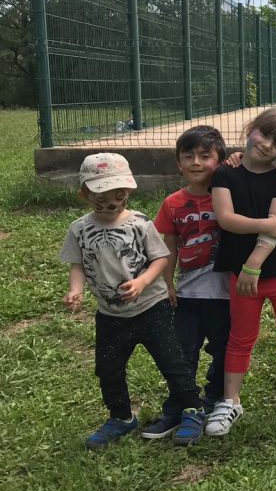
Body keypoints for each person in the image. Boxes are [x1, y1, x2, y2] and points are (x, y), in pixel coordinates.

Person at [61, 153, 205, 449]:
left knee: (173, 361)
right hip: (110, 314)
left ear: (128, 190)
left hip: (153, 307)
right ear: (84, 194)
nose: (112, 202)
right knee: (108, 369)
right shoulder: (78, 229)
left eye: (120, 194)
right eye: (102, 196)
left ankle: (192, 408)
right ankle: (121, 417)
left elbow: (161, 258)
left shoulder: (140, 223)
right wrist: (76, 290)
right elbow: (77, 265)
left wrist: (142, 281)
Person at [206, 108, 276, 436]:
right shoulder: (224, 173)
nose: (268, 145)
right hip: (242, 275)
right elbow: (227, 219)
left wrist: (252, 266)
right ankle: (230, 401)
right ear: (251, 128)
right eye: (265, 134)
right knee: (241, 337)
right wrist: (265, 225)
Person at [148, 126, 230, 439]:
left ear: (219, 161)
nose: (196, 162)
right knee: (182, 352)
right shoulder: (172, 203)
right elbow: (167, 247)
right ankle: (180, 405)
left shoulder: (230, 196)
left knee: (223, 350)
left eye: (205, 156)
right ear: (178, 163)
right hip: (186, 295)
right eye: (188, 156)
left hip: (225, 295)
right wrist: (166, 284)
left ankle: (215, 399)